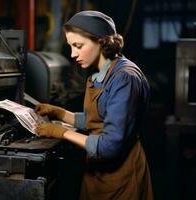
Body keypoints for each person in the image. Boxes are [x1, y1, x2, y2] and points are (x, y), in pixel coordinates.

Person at [35, 10, 153, 200]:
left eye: (78, 46)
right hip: (96, 171)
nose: (73, 54)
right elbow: (97, 119)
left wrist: (62, 132)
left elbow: (110, 146)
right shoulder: (98, 75)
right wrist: (59, 113)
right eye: (71, 46)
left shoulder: (124, 78)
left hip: (120, 174)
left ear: (101, 41)